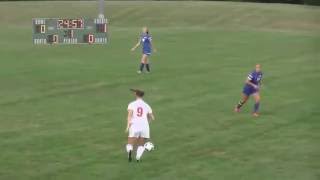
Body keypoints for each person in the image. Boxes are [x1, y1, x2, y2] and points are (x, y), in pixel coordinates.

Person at [125, 89, 155, 162]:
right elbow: (153, 117)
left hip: (134, 125)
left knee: (130, 143)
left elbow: (129, 116)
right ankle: (138, 158)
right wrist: (147, 122)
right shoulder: (146, 105)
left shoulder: (132, 104)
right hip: (144, 126)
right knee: (141, 144)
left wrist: (127, 126)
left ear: (136, 94)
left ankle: (129, 152)